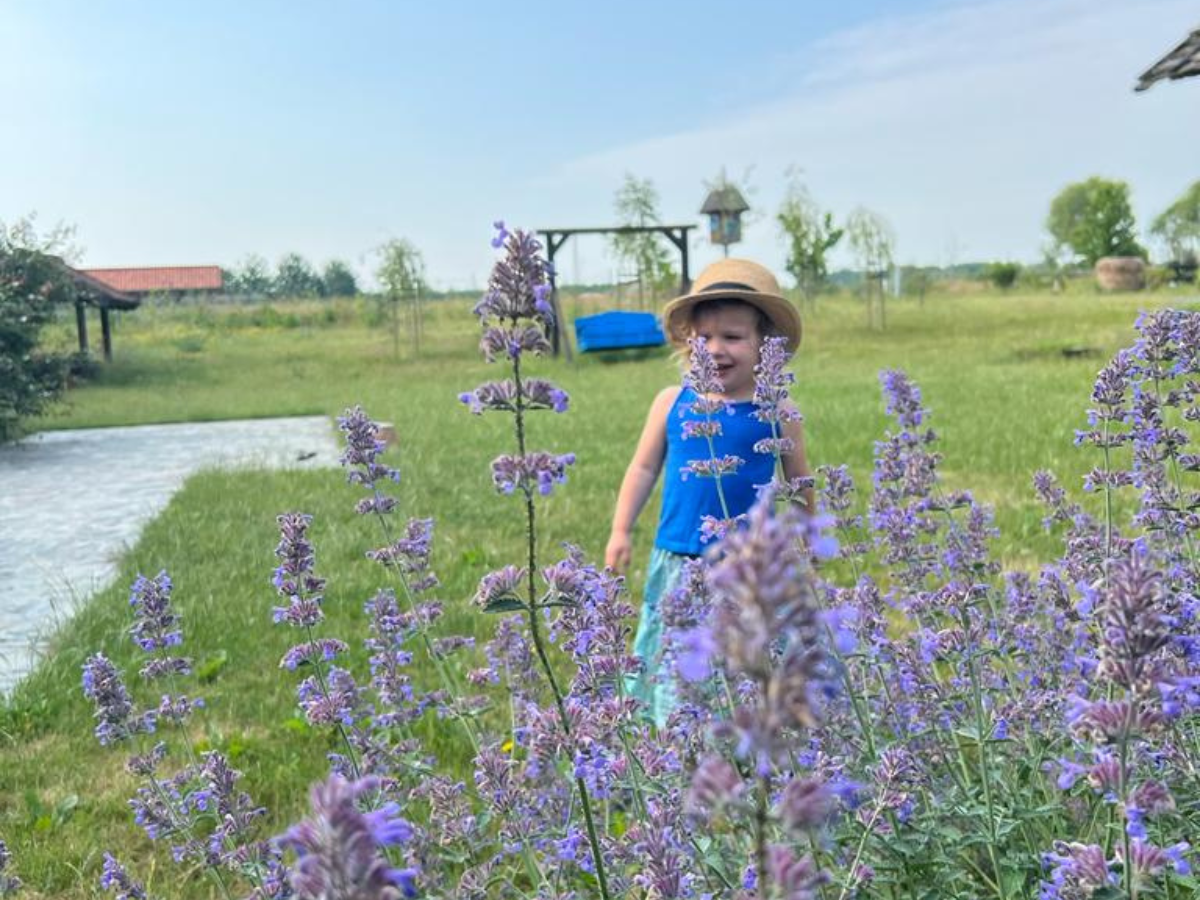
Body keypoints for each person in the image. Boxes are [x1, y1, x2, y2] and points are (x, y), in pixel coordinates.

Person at [604, 258, 813, 724]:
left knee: (749, 662)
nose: (716, 349)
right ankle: (681, 744)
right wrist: (621, 529)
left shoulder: (777, 409)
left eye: (733, 337)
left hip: (750, 567)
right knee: (678, 661)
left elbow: (799, 481)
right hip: (680, 560)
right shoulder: (671, 403)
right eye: (705, 338)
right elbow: (642, 468)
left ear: (765, 346)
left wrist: (807, 539)